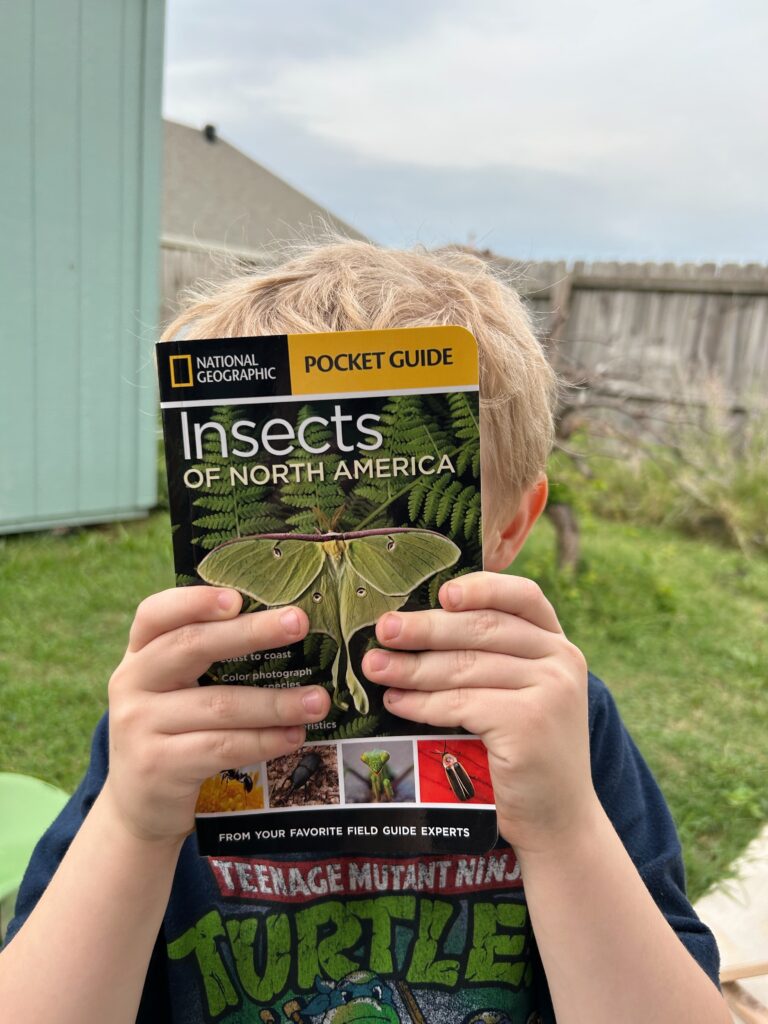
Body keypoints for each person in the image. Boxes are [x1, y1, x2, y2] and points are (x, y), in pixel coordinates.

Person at [0, 241, 730, 1024]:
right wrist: (132, 823)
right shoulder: (169, 737)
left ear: (512, 524)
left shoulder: (566, 727)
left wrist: (560, 824)